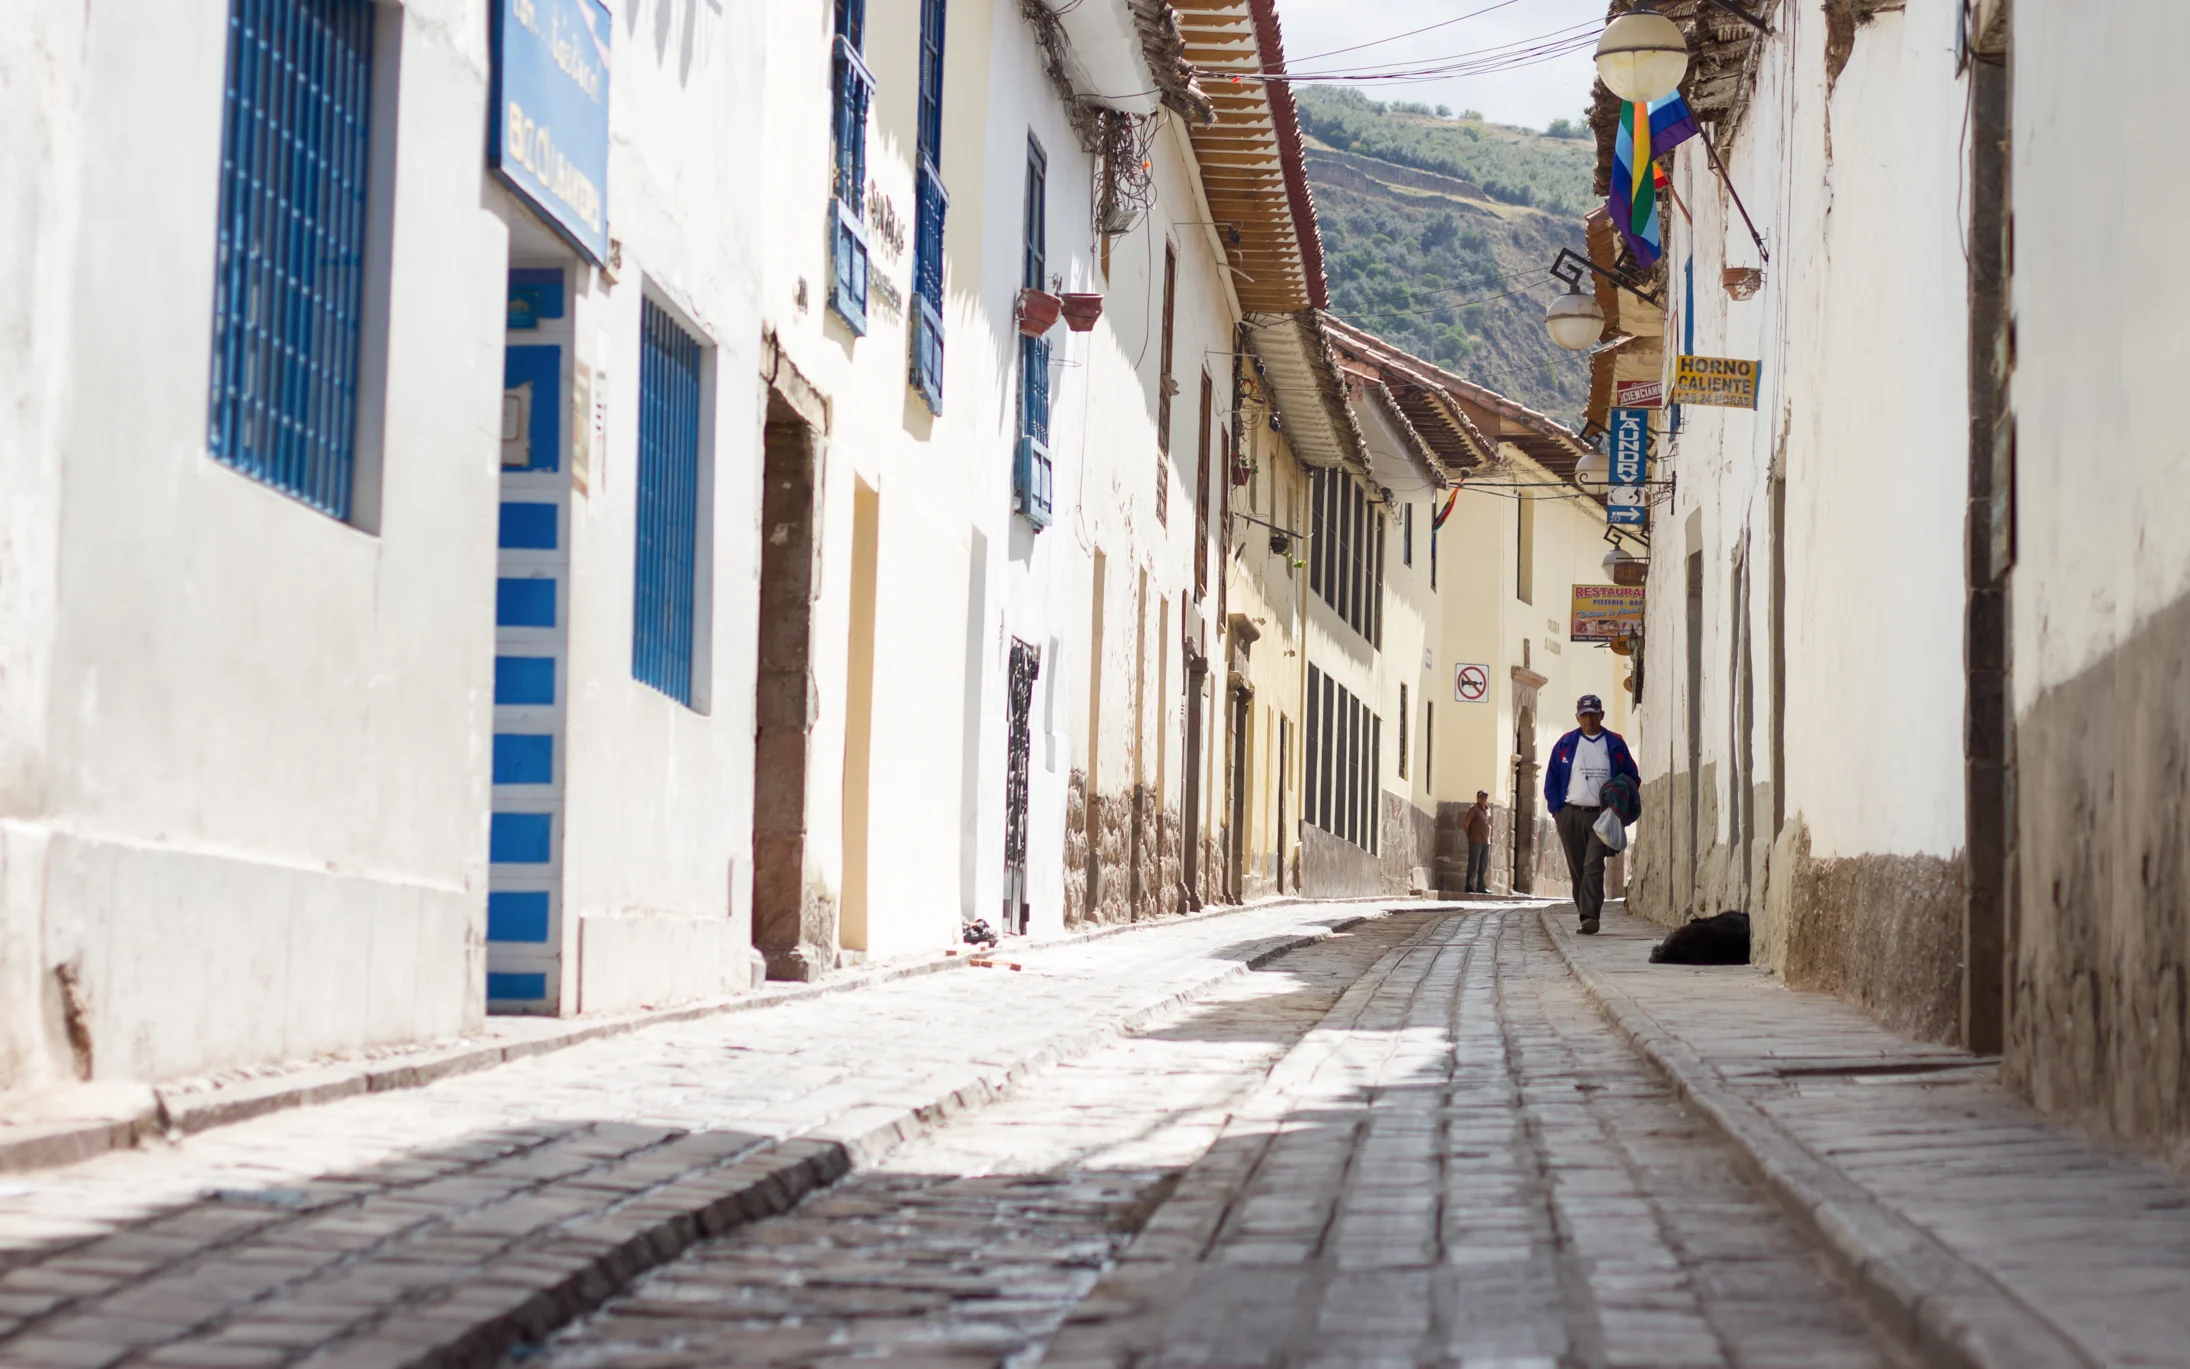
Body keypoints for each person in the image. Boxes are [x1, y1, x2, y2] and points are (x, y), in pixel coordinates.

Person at [1543, 693, 1640, 934]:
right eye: (1584, 715)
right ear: (1577, 718)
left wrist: (1619, 797)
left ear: (1602, 715)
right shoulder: (1565, 744)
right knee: (1577, 868)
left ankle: (1591, 916)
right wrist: (1557, 810)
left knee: (1593, 864)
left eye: (1593, 714)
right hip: (1570, 815)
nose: (1589, 719)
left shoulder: (1615, 744)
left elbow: (1632, 777)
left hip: (1603, 816)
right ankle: (1584, 912)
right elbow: (1552, 778)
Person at [1463, 789, 1493, 893]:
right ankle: (1469, 886)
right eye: (1481, 797)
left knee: (1483, 865)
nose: (1483, 799)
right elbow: (1466, 823)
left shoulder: (1488, 810)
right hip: (1475, 840)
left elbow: (1489, 824)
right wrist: (1469, 835)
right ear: (1477, 798)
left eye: (1485, 797)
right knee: (1473, 864)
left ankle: (1481, 886)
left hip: (1486, 842)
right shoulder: (1474, 809)